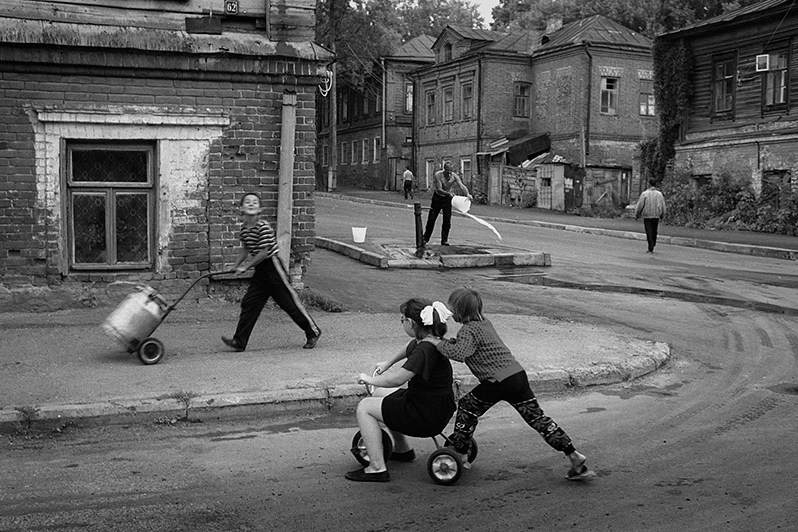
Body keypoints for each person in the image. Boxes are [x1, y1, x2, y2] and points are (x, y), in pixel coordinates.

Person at [432, 287, 596, 481]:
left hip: (497, 380)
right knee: (538, 419)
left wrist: (436, 343)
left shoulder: (469, 330)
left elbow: (459, 353)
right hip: (516, 375)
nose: (450, 312)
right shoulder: (484, 323)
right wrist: (446, 342)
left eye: (452, 308)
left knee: (468, 407)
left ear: (460, 311)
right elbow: (463, 346)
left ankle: (460, 453)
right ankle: (574, 455)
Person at [345, 299, 455, 483]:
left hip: (424, 415)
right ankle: (402, 449)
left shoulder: (424, 351)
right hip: (435, 407)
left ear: (411, 323)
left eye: (402, 319)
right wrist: (389, 362)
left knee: (365, 406)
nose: (401, 322)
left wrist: (369, 379)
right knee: (380, 394)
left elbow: (398, 379)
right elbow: (410, 347)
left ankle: (377, 468)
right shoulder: (431, 340)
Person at [222, 192, 322, 351]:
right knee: (249, 303)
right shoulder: (244, 228)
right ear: (241, 208)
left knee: (289, 303)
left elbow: (264, 252)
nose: (251, 204)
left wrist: (245, 267)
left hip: (273, 267)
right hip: (260, 271)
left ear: (260, 208)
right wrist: (236, 265)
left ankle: (312, 331)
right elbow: (245, 248)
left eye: (255, 202)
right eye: (247, 202)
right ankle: (239, 341)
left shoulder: (263, 227)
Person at [422, 161, 473, 246]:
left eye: (450, 171)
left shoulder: (454, 176)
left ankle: (444, 240)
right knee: (432, 218)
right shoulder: (438, 175)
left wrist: (467, 194)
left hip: (447, 200)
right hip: (437, 198)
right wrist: (448, 193)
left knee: (447, 220)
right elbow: (439, 189)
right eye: (447, 171)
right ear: (444, 169)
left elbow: (462, 186)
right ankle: (425, 238)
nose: (449, 173)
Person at [635, 179, 667, 253]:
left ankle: (650, 245)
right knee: (654, 230)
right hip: (656, 215)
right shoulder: (659, 194)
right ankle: (653, 242)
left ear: (649, 184)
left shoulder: (645, 194)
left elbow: (640, 205)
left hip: (647, 215)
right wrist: (663, 214)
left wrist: (637, 214)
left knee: (649, 230)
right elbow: (663, 205)